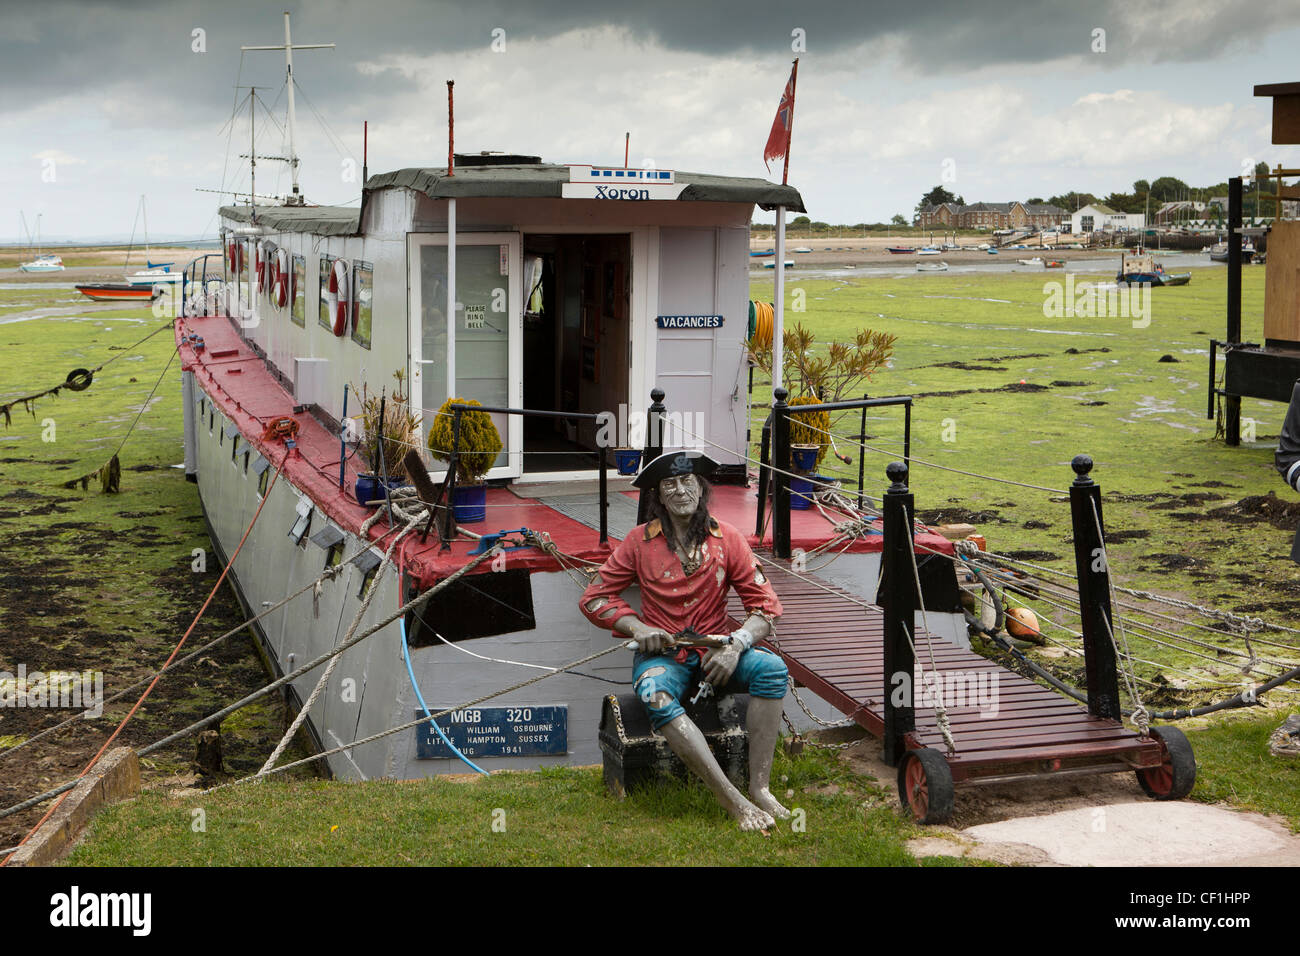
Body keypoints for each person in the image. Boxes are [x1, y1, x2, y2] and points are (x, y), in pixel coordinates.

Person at [579, 450, 790, 830]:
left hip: (719, 652)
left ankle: (760, 789)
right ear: (658, 496)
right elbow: (593, 597)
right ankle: (734, 801)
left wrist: (736, 645)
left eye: (688, 481)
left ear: (702, 488)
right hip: (664, 659)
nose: (680, 491)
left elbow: (766, 606)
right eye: (670, 485)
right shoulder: (638, 542)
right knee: (656, 695)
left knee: (773, 670)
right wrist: (638, 629)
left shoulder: (729, 539)